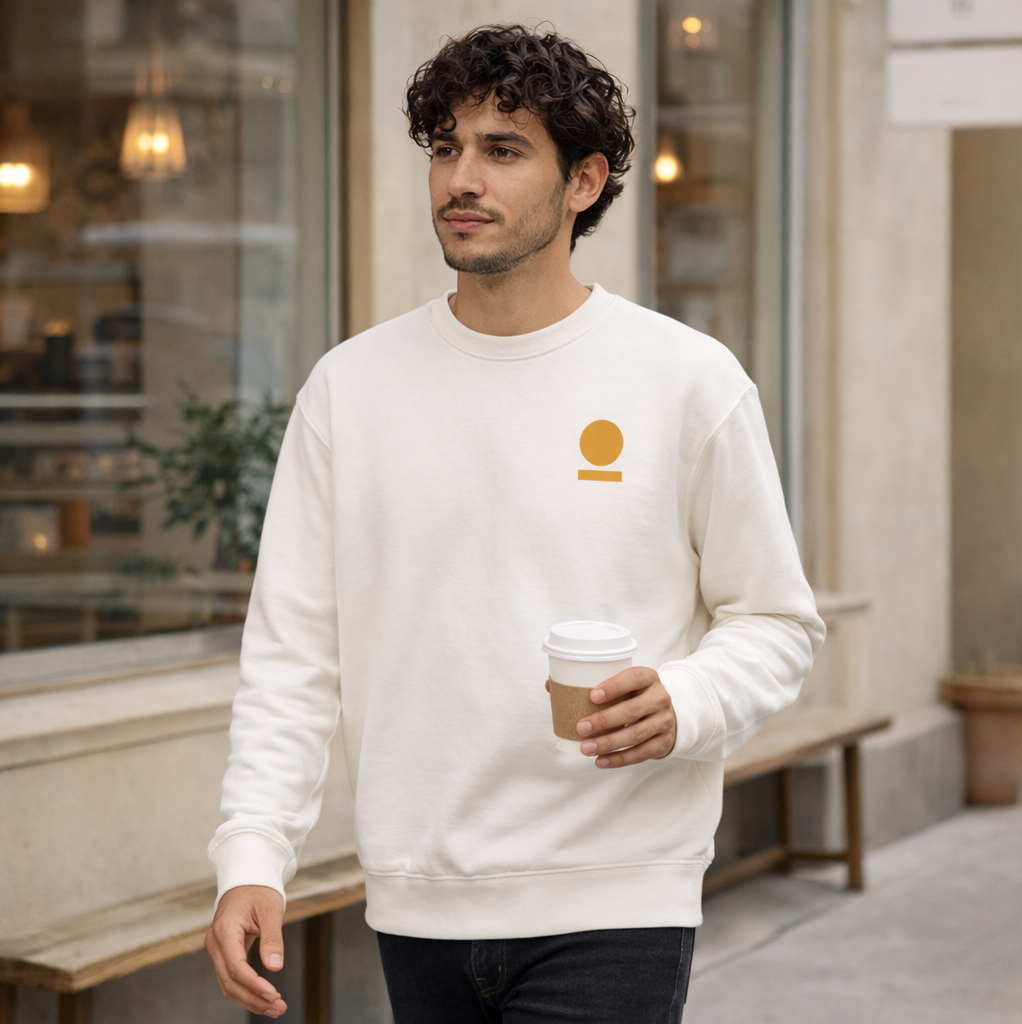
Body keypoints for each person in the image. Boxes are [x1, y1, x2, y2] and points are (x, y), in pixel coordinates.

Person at [204, 24, 825, 1023]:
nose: (461, 177)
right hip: (416, 896)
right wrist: (252, 853)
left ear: (583, 181)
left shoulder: (683, 380)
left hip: (616, 889)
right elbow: (292, 653)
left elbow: (777, 622)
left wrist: (686, 696)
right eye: (446, 147)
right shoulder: (349, 389)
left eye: (502, 150)